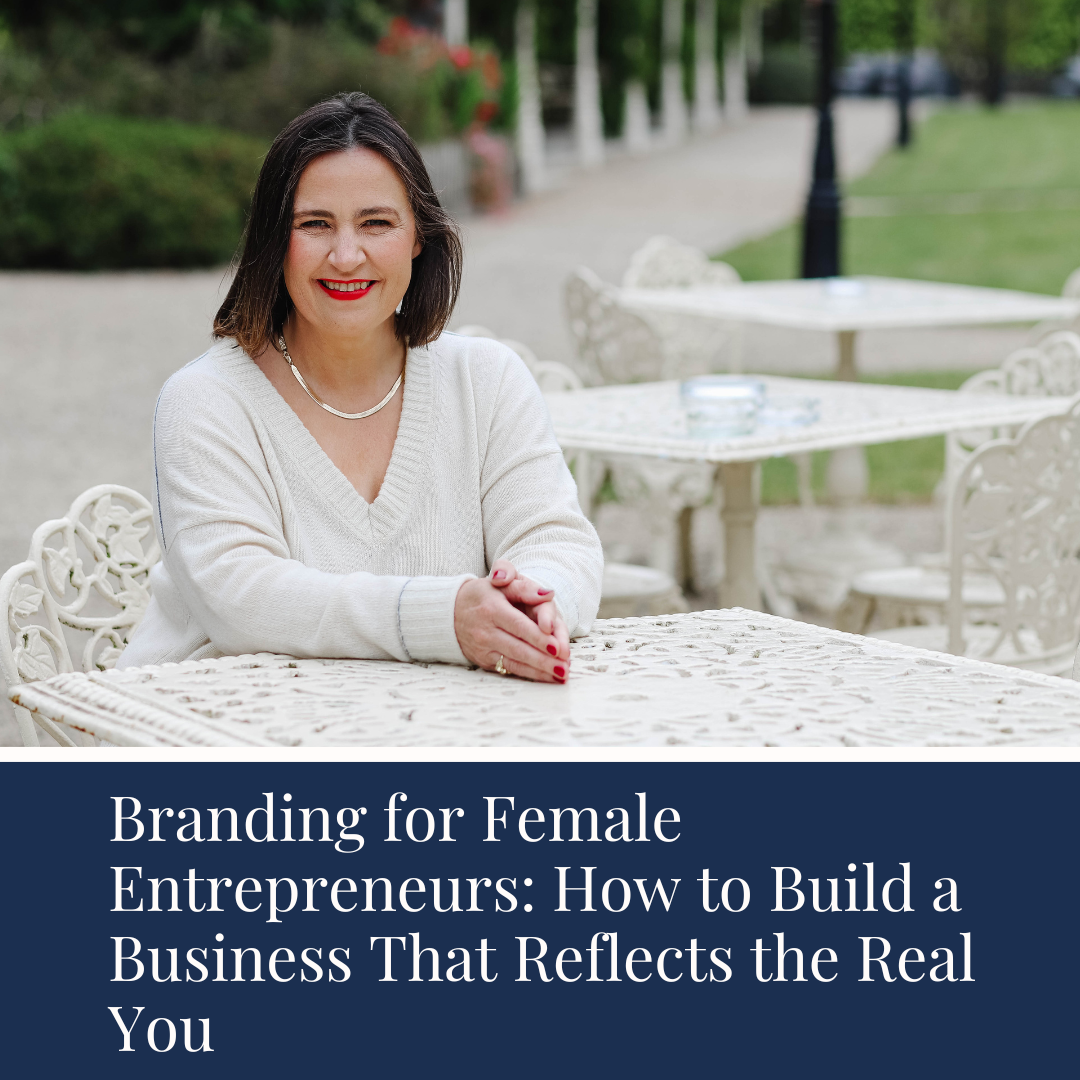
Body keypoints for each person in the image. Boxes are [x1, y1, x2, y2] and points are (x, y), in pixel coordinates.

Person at [119, 92, 602, 684]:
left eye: (376, 223)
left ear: (419, 237)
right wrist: (440, 619)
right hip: (216, 729)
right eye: (314, 224)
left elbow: (555, 539)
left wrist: (534, 606)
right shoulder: (206, 400)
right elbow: (242, 597)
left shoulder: (487, 379)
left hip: (428, 727)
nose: (346, 256)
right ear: (275, 243)